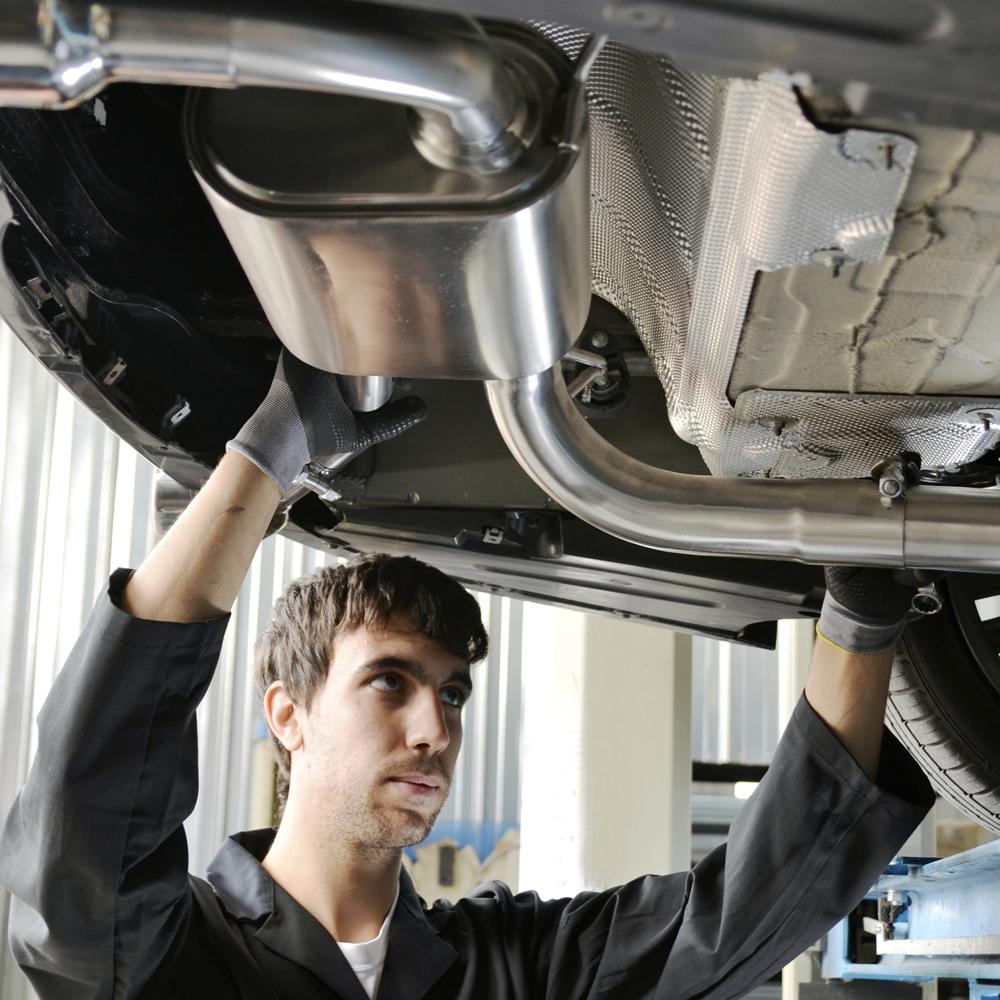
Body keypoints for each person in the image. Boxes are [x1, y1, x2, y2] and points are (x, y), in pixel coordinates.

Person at [0, 353, 934, 1000]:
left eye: (450, 693)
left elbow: (736, 920)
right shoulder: (172, 963)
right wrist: (270, 452)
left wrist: (857, 610)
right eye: (389, 682)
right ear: (286, 712)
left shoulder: (504, 967)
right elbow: (83, 823)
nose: (434, 729)